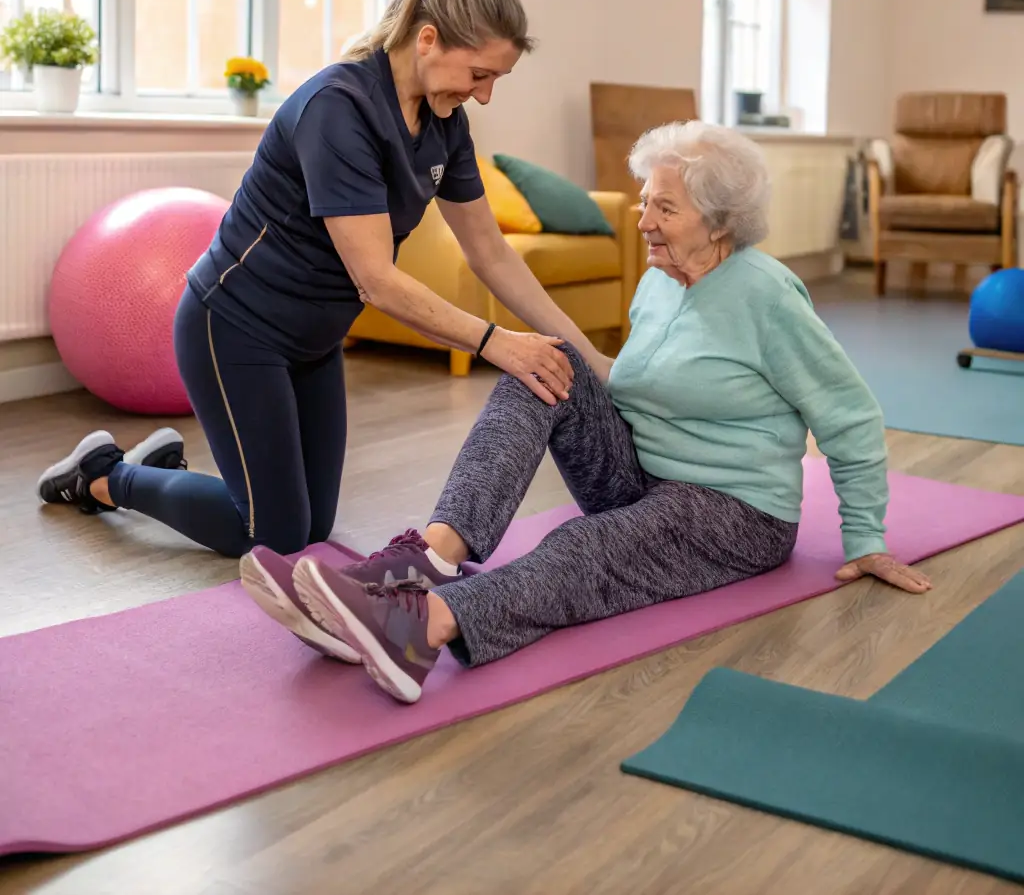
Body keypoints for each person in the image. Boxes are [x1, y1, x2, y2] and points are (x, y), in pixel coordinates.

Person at [249, 120, 932, 702]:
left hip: (734, 510)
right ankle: (430, 557)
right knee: (540, 363)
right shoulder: (662, 284)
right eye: (644, 202)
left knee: (579, 545)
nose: (643, 222)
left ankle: (416, 628)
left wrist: (866, 536)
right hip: (640, 475)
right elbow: (638, 382)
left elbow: (848, 414)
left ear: (720, 221)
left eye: (664, 208)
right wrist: (558, 373)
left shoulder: (768, 296)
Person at [36, 0, 613, 582]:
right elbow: (376, 279)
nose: (485, 96)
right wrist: (494, 342)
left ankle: (155, 464)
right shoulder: (338, 109)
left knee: (313, 524)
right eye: (480, 74)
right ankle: (106, 476)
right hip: (234, 328)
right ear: (428, 40)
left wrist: (590, 358)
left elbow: (491, 252)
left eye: (496, 79)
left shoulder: (444, 122)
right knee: (271, 534)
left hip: (313, 343)